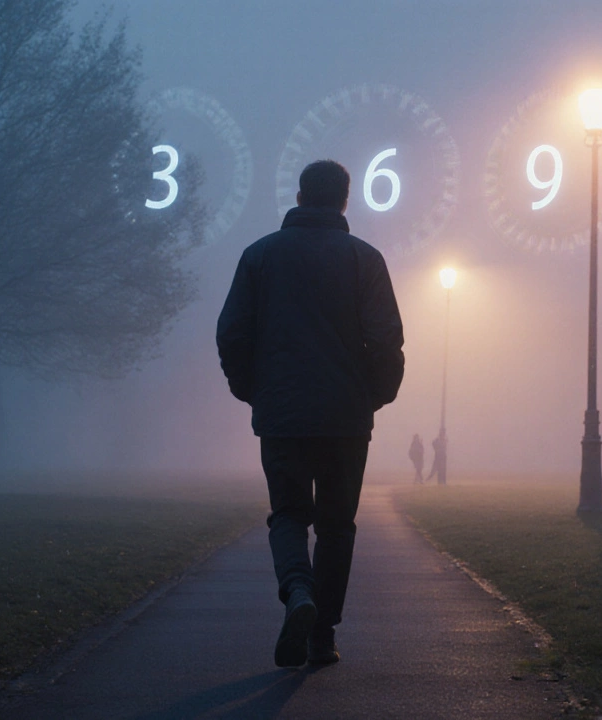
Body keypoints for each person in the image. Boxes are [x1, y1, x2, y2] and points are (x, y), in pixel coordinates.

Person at [217, 159, 405, 668]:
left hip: (282, 414)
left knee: (289, 515)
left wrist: (253, 391)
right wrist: (374, 396)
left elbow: (232, 334)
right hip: (346, 418)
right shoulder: (365, 260)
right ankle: (322, 635)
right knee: (337, 525)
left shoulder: (259, 257)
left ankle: (297, 591)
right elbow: (387, 340)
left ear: (299, 197)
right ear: (345, 200)